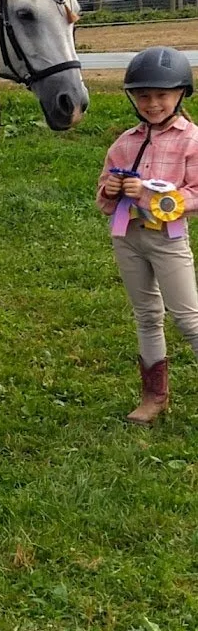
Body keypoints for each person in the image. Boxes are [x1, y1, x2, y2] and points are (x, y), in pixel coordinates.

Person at [97, 46, 198, 425]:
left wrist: (158, 197)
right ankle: (154, 395)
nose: (152, 103)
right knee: (147, 315)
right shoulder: (124, 142)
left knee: (188, 317)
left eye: (161, 95)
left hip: (168, 241)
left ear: (180, 95)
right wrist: (109, 191)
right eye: (143, 95)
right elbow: (102, 191)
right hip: (128, 239)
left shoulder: (192, 141)